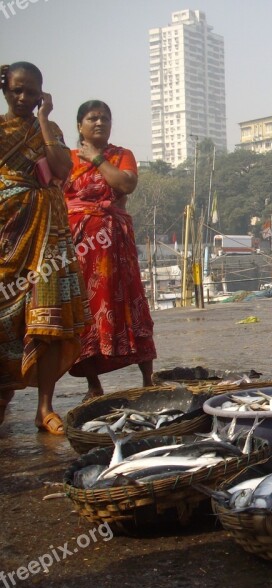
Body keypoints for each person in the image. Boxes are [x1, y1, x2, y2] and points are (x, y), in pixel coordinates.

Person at [0, 62, 89, 434]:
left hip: (49, 235)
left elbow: (61, 169)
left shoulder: (49, 128)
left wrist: (43, 119)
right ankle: (3, 397)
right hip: (8, 230)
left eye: (32, 91)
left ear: (42, 94)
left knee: (49, 320)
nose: (23, 97)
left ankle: (45, 407)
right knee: (5, 319)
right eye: (17, 90)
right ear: (5, 89)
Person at [63, 100, 157, 399]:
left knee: (131, 302)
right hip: (81, 247)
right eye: (93, 118)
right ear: (80, 125)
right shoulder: (65, 159)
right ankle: (93, 384)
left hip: (115, 245)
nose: (99, 123)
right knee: (86, 311)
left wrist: (98, 159)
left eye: (105, 118)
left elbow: (126, 184)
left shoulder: (120, 155)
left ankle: (148, 377)